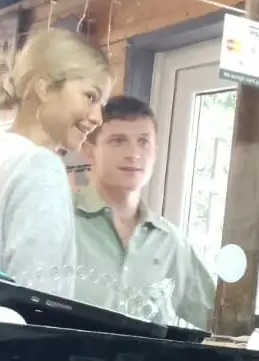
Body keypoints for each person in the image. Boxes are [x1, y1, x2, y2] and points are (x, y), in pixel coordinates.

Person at [0, 29, 113, 297]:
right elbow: (37, 295)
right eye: (90, 97)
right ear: (44, 88)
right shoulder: (40, 165)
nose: (97, 118)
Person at [73, 95, 216, 329]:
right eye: (118, 141)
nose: (134, 154)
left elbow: (211, 326)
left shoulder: (171, 243)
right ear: (90, 150)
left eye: (143, 142)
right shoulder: (63, 219)